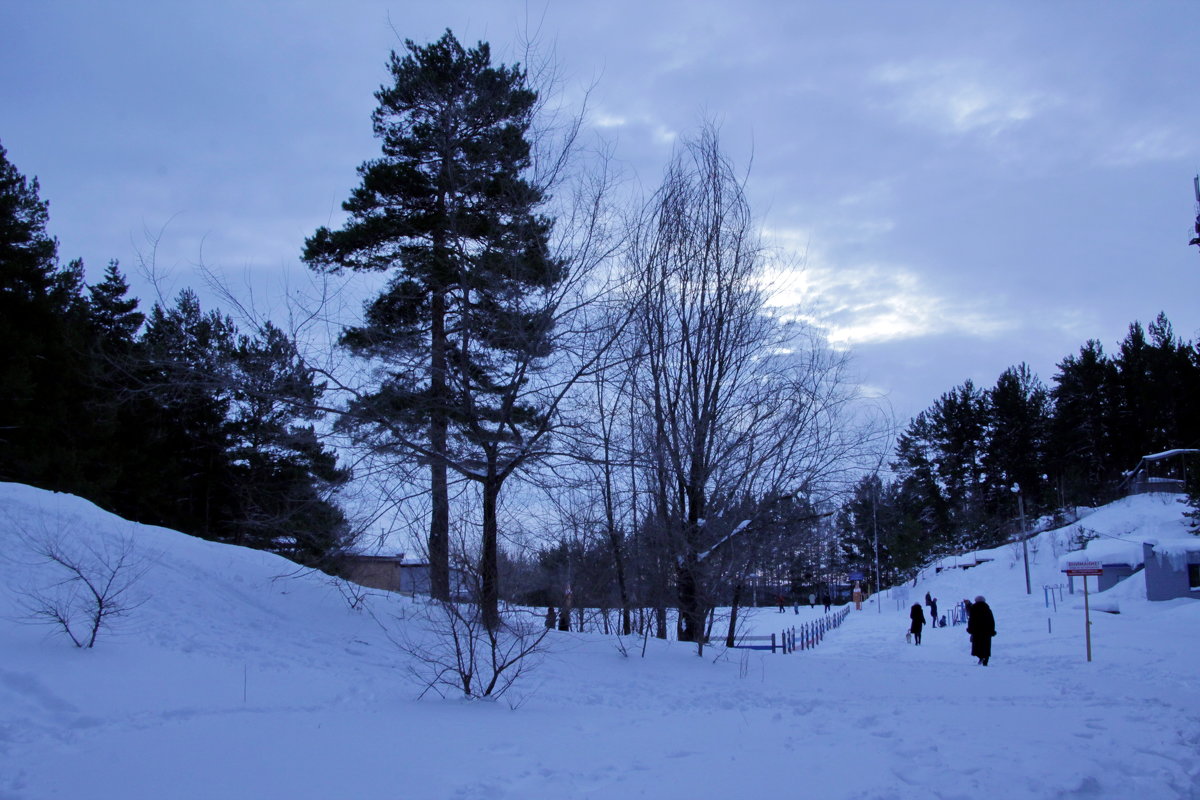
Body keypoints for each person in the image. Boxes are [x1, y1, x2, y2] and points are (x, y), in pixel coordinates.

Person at [966, 595, 996, 665]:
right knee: (986, 645)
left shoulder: (974, 609)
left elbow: (971, 620)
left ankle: (981, 657)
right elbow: (991, 621)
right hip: (987, 631)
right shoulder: (987, 609)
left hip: (977, 631)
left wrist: (970, 629)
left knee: (977, 645)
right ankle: (986, 658)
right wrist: (992, 630)